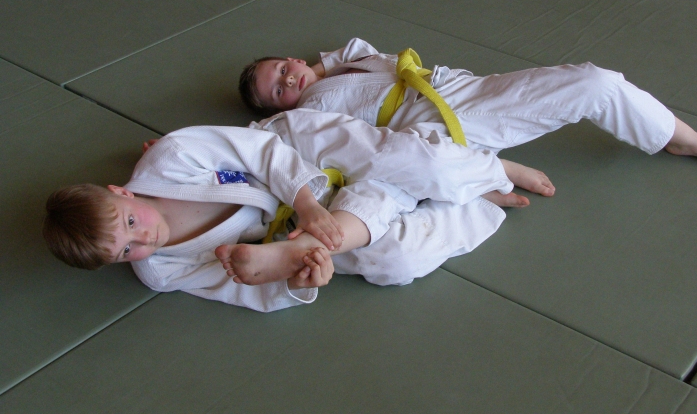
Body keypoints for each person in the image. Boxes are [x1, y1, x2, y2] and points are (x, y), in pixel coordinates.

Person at [44, 110, 527, 313]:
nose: (143, 241)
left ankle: (493, 170)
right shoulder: (161, 269)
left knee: (410, 162)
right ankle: (473, 197)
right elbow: (238, 284)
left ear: (122, 192)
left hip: (291, 152)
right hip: (289, 230)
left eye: (130, 223)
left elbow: (260, 152)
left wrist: (308, 204)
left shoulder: (171, 157)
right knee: (396, 262)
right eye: (125, 251)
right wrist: (295, 279)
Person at [240, 38, 697, 173]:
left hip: (458, 88)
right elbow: (275, 138)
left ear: (293, 58)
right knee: (596, 83)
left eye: (282, 69)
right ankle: (684, 138)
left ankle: (486, 167)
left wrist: (320, 70)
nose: (289, 80)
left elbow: (348, 50)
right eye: (278, 90)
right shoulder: (305, 112)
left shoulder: (347, 62)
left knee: (593, 82)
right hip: (440, 117)